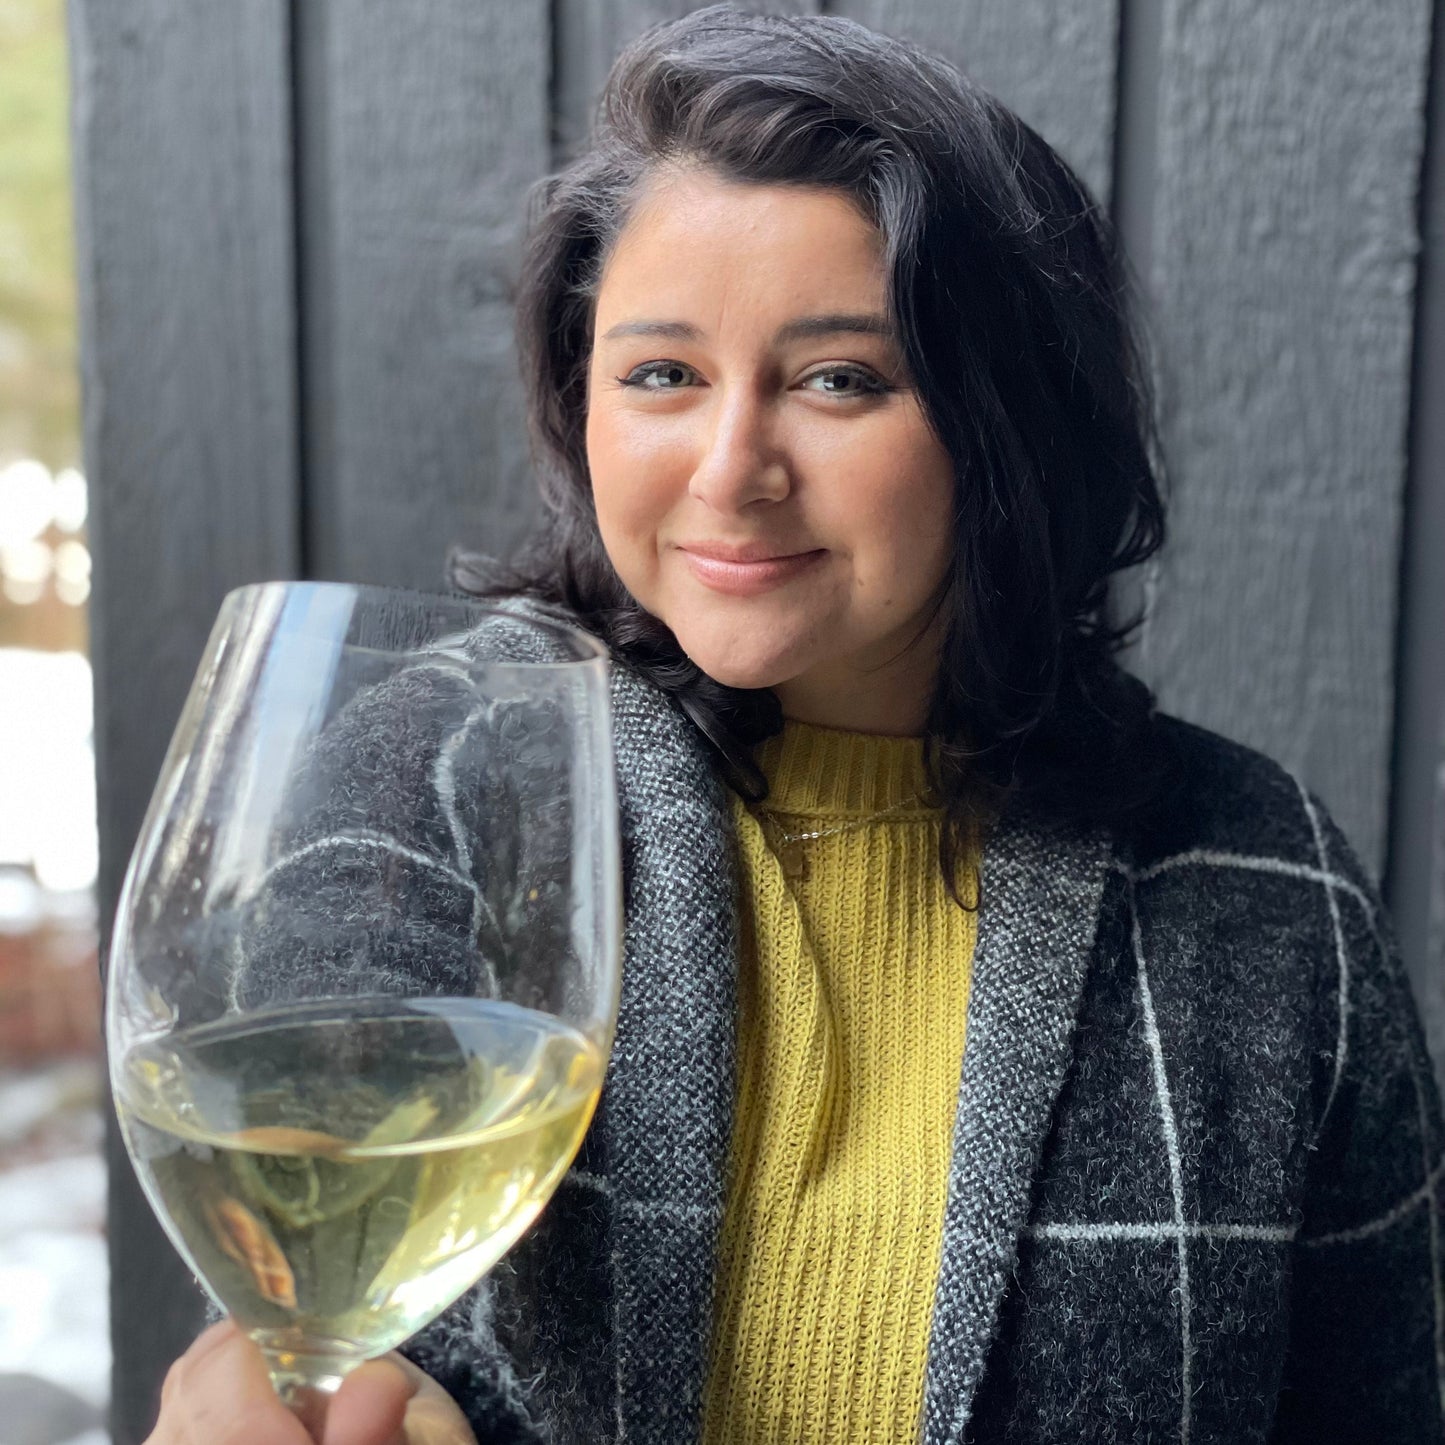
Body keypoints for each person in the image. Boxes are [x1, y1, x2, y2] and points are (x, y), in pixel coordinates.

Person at [147, 7, 1445, 1443]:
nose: (731, 470)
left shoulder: (1266, 886)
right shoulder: (436, 774)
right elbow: (298, 1278)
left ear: (1005, 425)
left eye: (840, 379)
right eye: (662, 374)